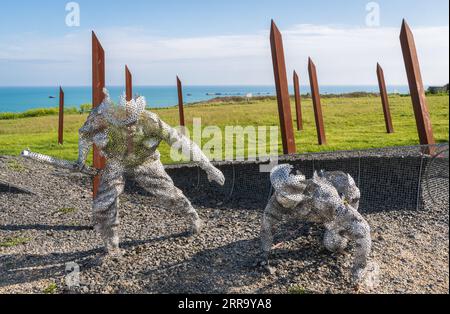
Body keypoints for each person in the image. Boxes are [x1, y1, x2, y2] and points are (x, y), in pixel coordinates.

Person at [76, 89, 225, 255]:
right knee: (104, 202)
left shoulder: (151, 121)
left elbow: (181, 142)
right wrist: (81, 159)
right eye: (124, 124)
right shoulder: (100, 119)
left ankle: (192, 216)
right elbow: (84, 135)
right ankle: (111, 245)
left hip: (146, 161)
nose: (130, 127)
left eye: (132, 122)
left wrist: (207, 166)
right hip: (117, 162)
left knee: (169, 194)